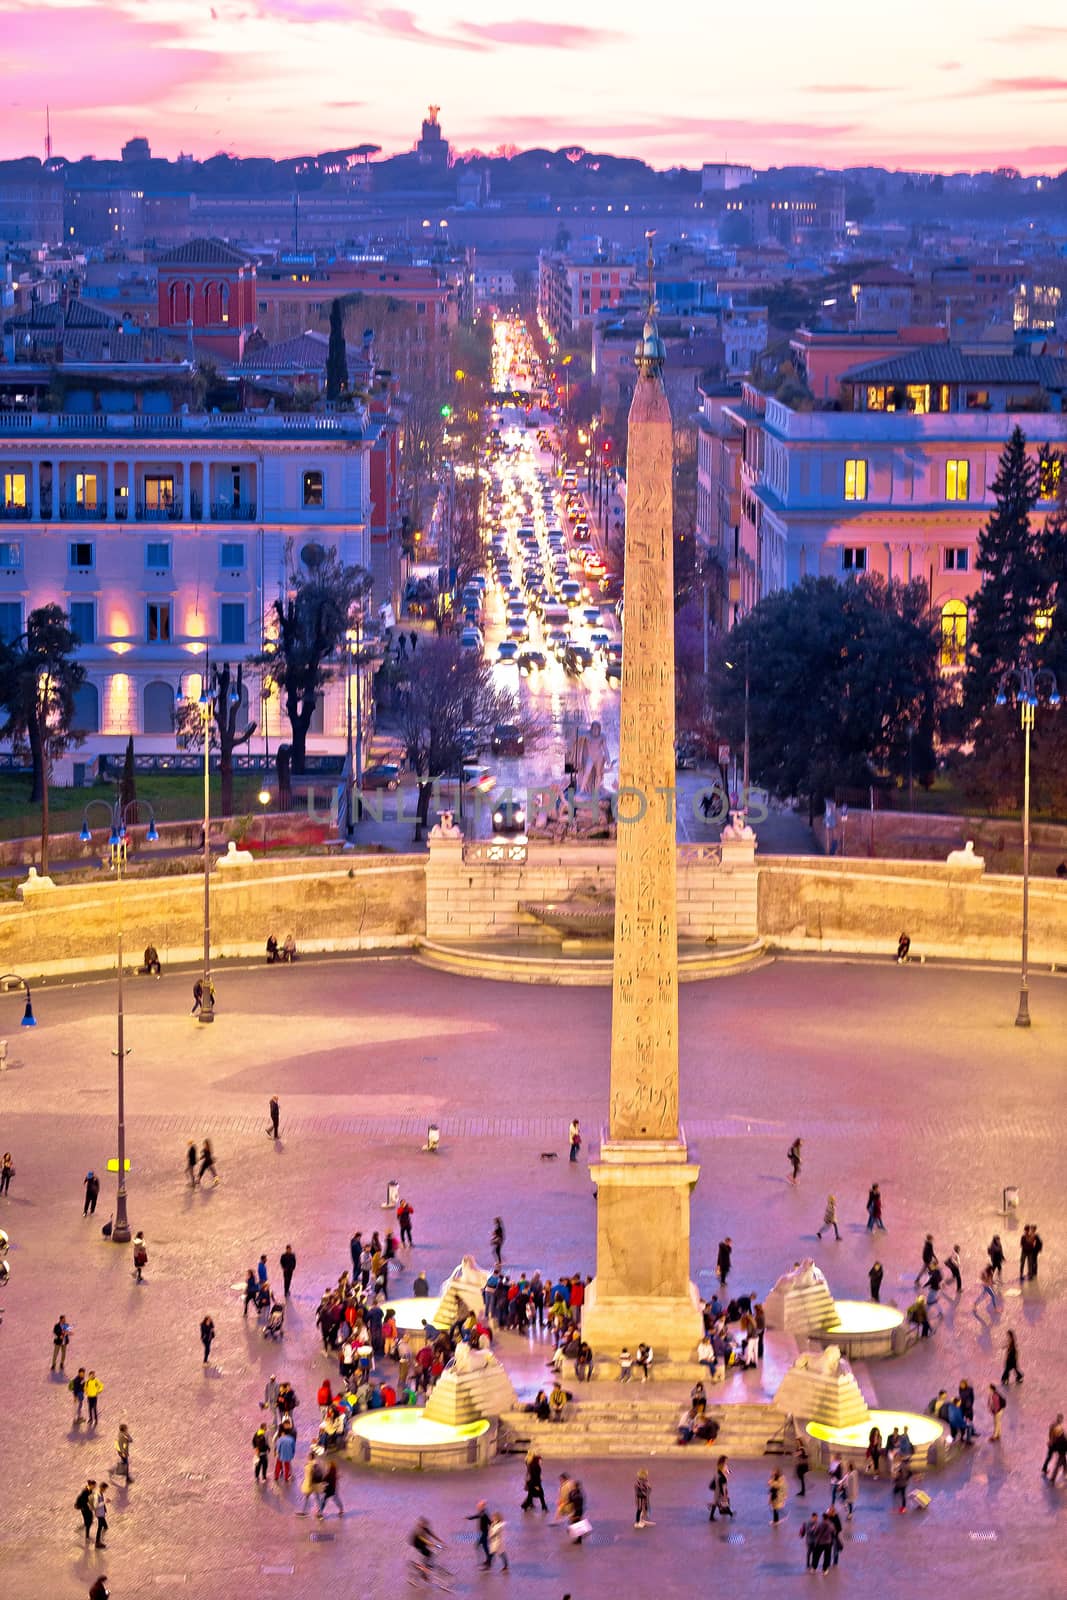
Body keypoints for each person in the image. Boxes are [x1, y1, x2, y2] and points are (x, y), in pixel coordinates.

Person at [521, 1447, 548, 1511]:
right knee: (538, 1494)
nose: (541, 1462)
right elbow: (534, 1475)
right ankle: (543, 1506)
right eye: (540, 1460)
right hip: (534, 1482)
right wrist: (536, 1484)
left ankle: (527, 1505)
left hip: (532, 1481)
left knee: (531, 1494)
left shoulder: (533, 1464)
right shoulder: (534, 1466)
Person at [467, 1500, 491, 1568]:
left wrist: (469, 1518)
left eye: (479, 1506)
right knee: (484, 1546)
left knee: (478, 1545)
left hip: (484, 1532)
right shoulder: (483, 1512)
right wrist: (469, 1518)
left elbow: (489, 1522)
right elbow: (477, 1516)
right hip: (483, 1532)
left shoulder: (484, 1513)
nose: (477, 1507)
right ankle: (488, 1560)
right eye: (478, 1506)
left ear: (482, 1506)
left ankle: (488, 1560)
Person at [94, 1483, 109, 1547]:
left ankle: (105, 1526)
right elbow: (96, 1505)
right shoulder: (97, 1495)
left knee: (104, 1525)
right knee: (99, 1527)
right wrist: (105, 1502)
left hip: (101, 1513)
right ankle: (97, 1543)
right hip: (99, 1514)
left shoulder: (100, 1493)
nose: (105, 1490)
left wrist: (104, 1508)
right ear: (101, 1487)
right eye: (105, 1489)